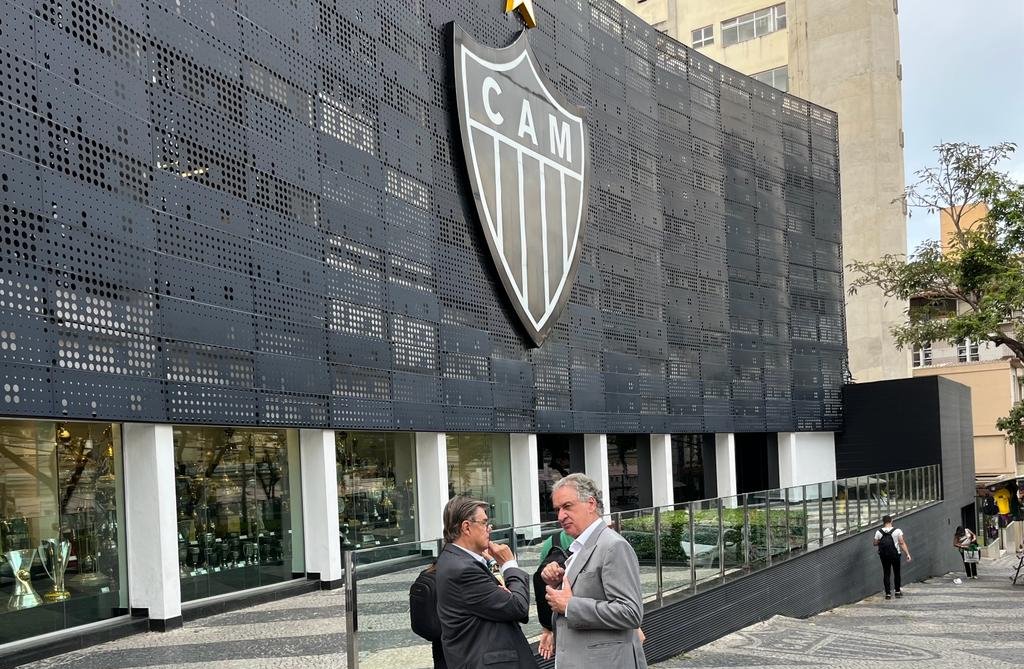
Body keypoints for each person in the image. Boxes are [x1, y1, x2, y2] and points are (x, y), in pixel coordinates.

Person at [541, 473, 646, 668]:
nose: (560, 516)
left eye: (567, 506)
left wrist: (570, 606)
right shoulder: (581, 546)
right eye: (557, 509)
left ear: (591, 504)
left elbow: (630, 612)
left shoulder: (613, 545)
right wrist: (557, 582)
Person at [434, 496, 536, 669]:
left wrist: (494, 567)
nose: (489, 528)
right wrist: (509, 564)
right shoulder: (463, 569)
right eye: (484, 523)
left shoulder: (456, 559)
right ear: (466, 527)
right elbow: (518, 606)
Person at [873, 514, 912, 600]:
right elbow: (901, 543)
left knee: (886, 573)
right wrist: (907, 554)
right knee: (897, 573)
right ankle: (897, 592)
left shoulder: (878, 532)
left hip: (884, 555)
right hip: (895, 554)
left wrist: (881, 541)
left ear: (883, 522)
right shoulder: (897, 531)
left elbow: (875, 543)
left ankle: (888, 594)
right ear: (891, 521)